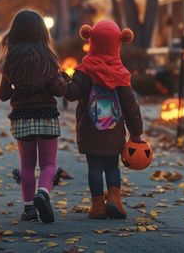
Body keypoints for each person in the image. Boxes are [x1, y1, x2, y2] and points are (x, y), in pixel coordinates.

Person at [64, 20, 144, 220]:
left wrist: (63, 79)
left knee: (95, 168)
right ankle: (115, 200)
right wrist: (136, 132)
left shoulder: (84, 70)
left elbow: (72, 94)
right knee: (112, 167)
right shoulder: (121, 73)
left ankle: (98, 205)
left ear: (91, 40)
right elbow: (130, 105)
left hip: (90, 130)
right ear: (118, 42)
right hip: (114, 130)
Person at [0, 9, 66, 223]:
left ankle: (28, 209)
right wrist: (63, 80)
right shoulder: (49, 59)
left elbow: (2, 94)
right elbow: (59, 90)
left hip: (22, 117)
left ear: (15, 32)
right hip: (47, 115)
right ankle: (43, 193)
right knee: (48, 164)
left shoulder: (10, 61)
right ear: (42, 33)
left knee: (26, 164)